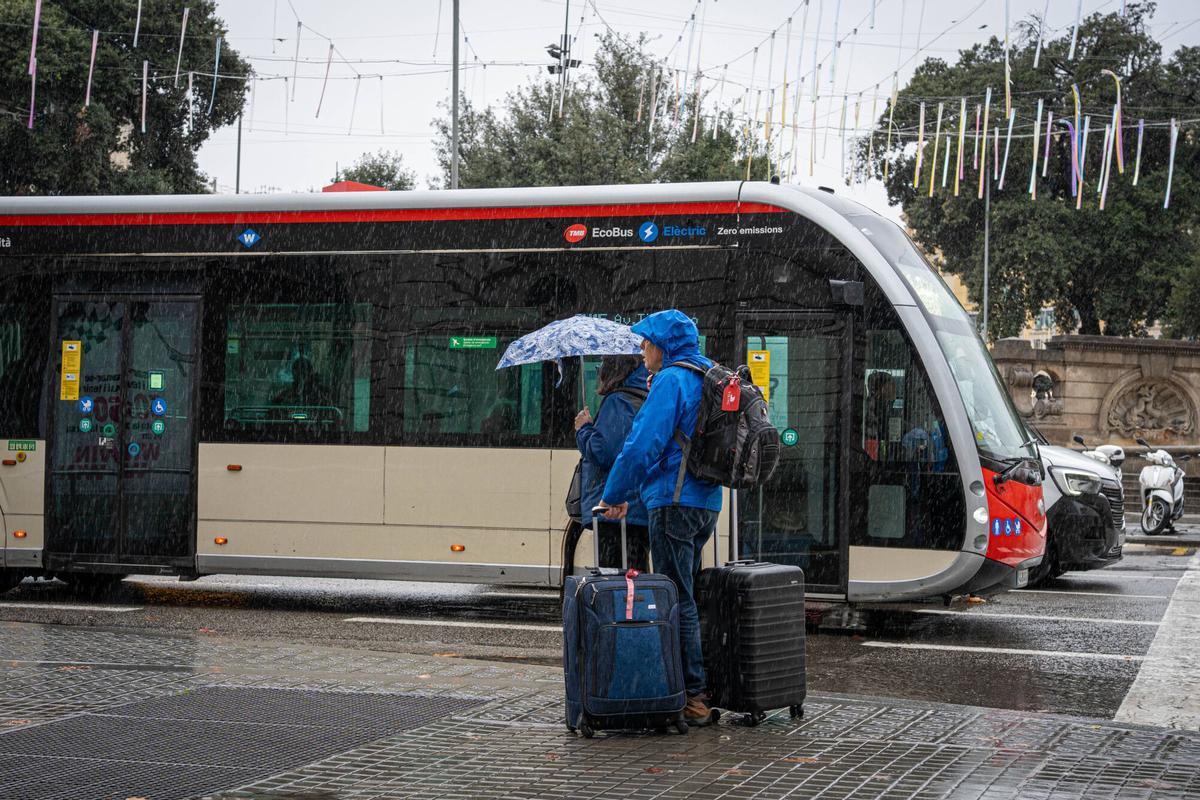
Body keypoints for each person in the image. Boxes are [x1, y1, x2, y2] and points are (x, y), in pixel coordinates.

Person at [597, 309, 721, 727]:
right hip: (705, 503)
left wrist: (613, 494)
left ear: (662, 346)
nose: (642, 350)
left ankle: (692, 696)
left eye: (646, 342)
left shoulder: (672, 379)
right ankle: (700, 683)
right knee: (688, 594)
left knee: (675, 600)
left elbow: (640, 446)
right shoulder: (706, 373)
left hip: (674, 502)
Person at [574, 355, 650, 571]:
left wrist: (584, 429)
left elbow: (605, 452)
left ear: (613, 370)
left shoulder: (619, 400)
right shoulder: (643, 394)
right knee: (635, 575)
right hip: (637, 505)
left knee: (616, 576)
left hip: (616, 510)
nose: (600, 372)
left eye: (602, 366)